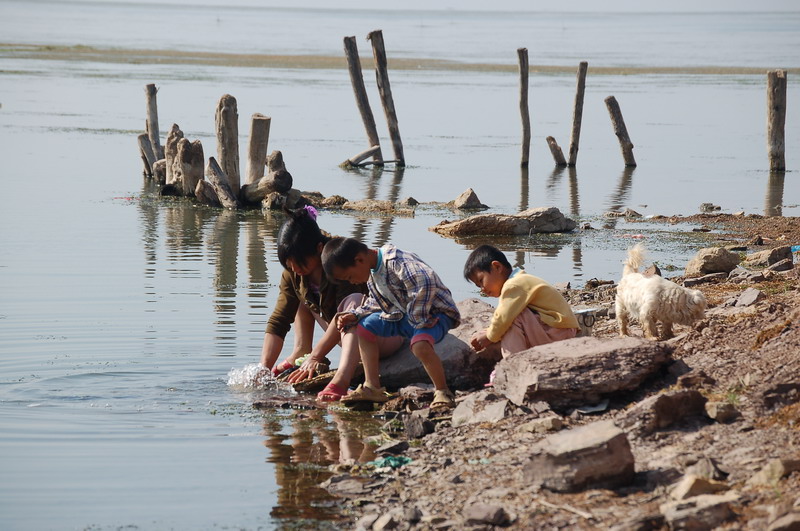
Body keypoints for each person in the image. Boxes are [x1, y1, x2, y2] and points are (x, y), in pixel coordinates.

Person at [259, 206, 402, 401]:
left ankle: (341, 381)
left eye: (299, 262)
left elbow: (347, 316)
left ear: (319, 249)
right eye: (288, 263)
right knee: (302, 299)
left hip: (376, 336)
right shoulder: (294, 275)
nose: (293, 268)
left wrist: (316, 357)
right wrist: (263, 370)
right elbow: (279, 320)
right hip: (343, 334)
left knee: (352, 303)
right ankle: (300, 351)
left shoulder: (340, 262)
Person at [321, 237, 460, 409]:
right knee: (364, 328)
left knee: (420, 346)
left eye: (350, 277)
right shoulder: (372, 273)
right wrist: (356, 315)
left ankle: (442, 391)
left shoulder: (395, 261)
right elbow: (377, 302)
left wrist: (419, 320)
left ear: (359, 260)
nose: (352, 282)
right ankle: (373, 386)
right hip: (404, 316)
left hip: (434, 315)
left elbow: (426, 281)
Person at [463, 244, 579, 366]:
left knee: (511, 320)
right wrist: (491, 330)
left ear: (497, 267)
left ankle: (514, 366)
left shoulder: (513, 284)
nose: (482, 289)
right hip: (558, 329)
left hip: (558, 331)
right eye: (478, 286)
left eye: (481, 281)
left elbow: (504, 317)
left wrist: (490, 336)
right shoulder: (519, 281)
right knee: (507, 320)